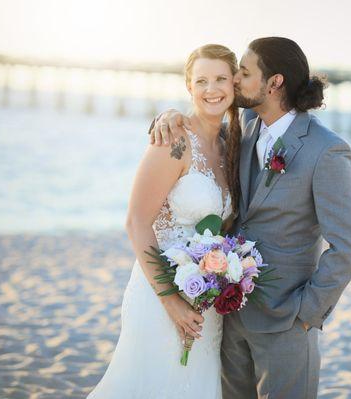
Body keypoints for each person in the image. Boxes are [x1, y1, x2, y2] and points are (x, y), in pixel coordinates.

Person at [151, 37, 351, 399]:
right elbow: (201, 129)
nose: (234, 80)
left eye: (244, 73)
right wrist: (170, 116)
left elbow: (347, 246)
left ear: (274, 83)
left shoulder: (325, 150)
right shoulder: (246, 125)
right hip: (231, 315)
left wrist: (305, 313)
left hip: (286, 322)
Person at [87, 44, 241, 399]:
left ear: (234, 84)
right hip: (160, 296)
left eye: (220, 79)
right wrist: (171, 300)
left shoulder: (231, 142)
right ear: (189, 86)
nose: (211, 89)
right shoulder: (172, 139)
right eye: (201, 80)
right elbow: (137, 222)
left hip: (206, 300)